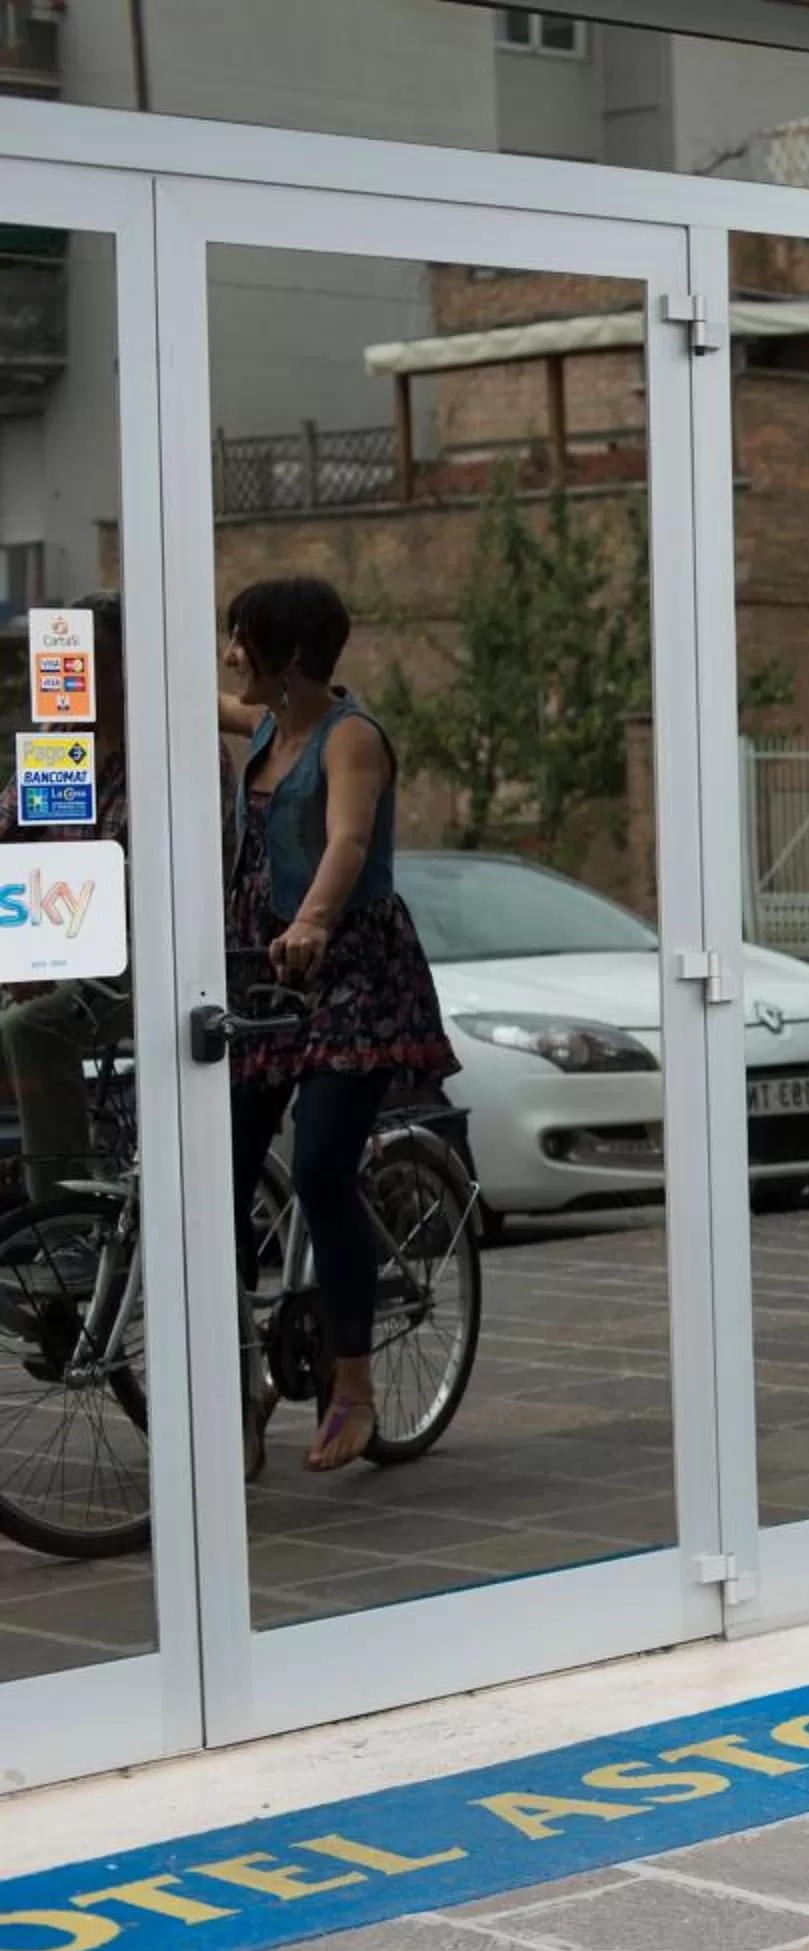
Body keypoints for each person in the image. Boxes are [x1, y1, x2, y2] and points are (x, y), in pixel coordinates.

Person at [220, 576, 458, 1476]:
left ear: (283, 657)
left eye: (239, 639)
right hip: (263, 976)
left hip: (350, 973)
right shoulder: (269, 728)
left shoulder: (351, 738)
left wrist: (313, 922)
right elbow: (202, 704)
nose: (230, 655)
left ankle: (353, 1387)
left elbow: (350, 842)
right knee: (219, 1178)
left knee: (320, 1164)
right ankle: (237, 1384)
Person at [1, 593, 134, 1204]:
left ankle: (64, 1219)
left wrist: (46, 958)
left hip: (143, 962)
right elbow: (8, 828)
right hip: (66, 950)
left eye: (91, 659)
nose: (72, 671)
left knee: (33, 1028)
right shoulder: (62, 740)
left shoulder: (167, 757)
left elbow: (136, 885)